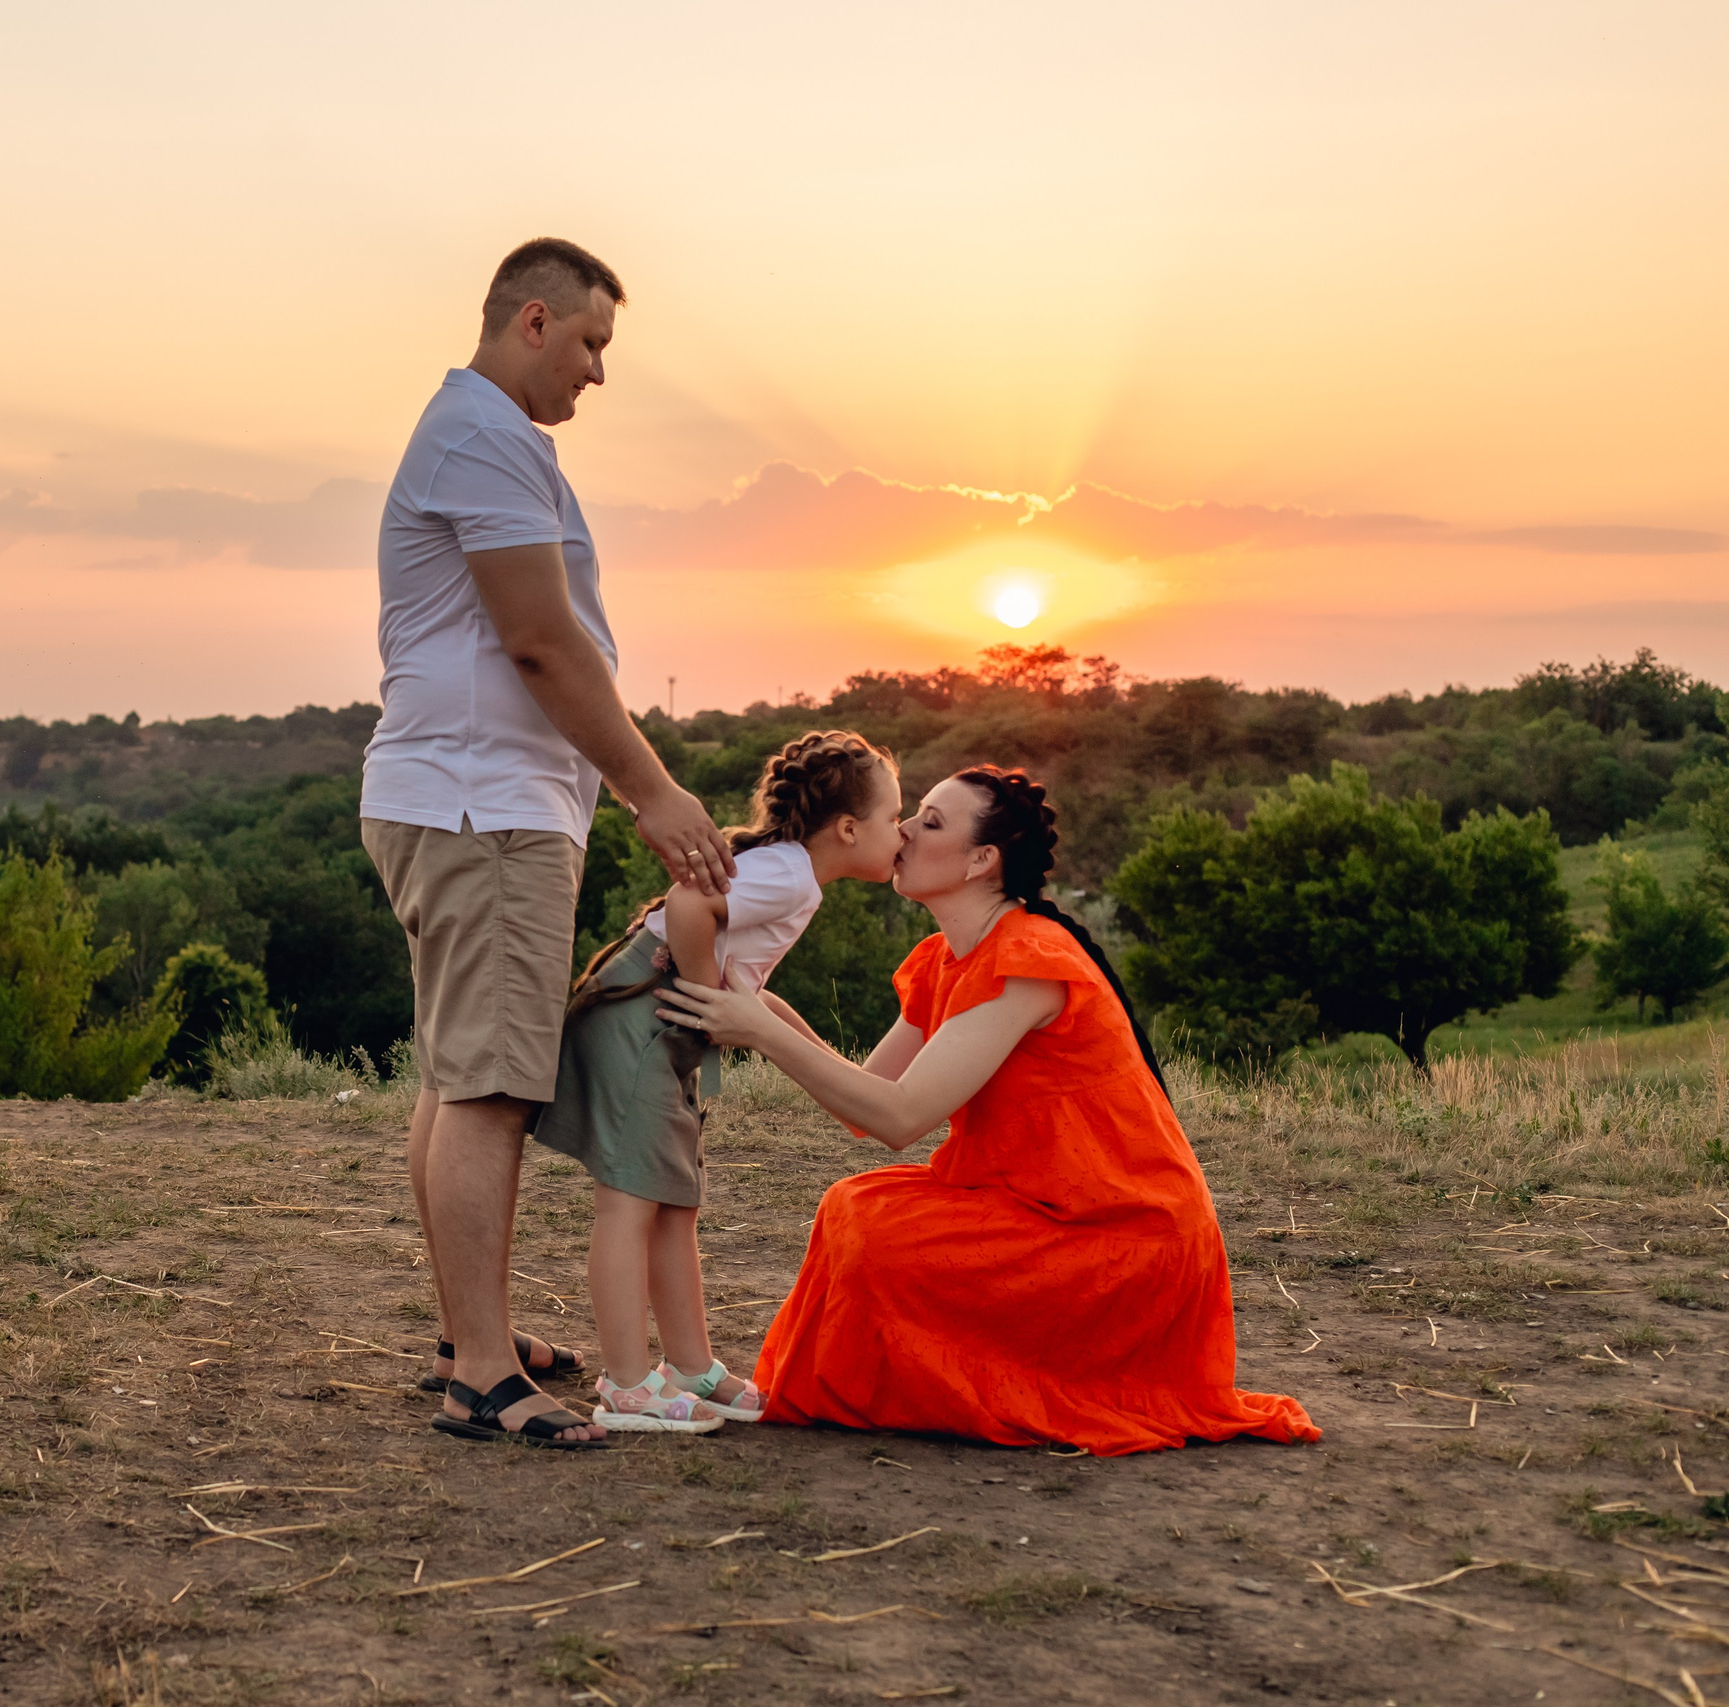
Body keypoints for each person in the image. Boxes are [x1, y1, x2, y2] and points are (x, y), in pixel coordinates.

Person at [656, 766, 1318, 1456]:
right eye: (913, 815)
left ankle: (951, 1390)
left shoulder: (1028, 960)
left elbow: (900, 1117)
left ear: (981, 861)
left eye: (931, 822)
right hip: (1031, 1203)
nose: (904, 830)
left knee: (877, 1231)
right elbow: (867, 1097)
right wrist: (758, 1005)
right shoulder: (943, 958)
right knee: (854, 1208)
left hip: (1120, 1233)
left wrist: (760, 1030)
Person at [359, 238, 734, 1450]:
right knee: (489, 1088)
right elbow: (539, 639)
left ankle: (469, 1334)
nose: (596, 373)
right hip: (484, 808)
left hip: (464, 799)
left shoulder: (483, 434)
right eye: (589, 344)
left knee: (454, 1076)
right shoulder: (485, 437)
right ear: (533, 321)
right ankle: (480, 1372)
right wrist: (650, 792)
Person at [536, 733, 901, 1433]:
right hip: (644, 1022)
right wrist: (706, 1002)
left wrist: (821, 1057)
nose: (903, 832)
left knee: (674, 1202)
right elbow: (686, 906)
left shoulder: (792, 874)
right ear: (849, 829)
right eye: (896, 817)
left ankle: (690, 1367)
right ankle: (625, 1386)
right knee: (629, 1203)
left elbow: (751, 995)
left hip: (660, 1023)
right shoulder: (791, 876)